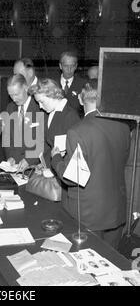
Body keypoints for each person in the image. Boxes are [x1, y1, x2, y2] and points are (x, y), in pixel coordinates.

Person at [51, 79, 131, 249]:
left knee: (87, 268)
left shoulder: (77, 132)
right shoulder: (124, 127)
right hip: (116, 212)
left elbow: (73, 179)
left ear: (80, 99)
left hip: (89, 215)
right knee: (111, 266)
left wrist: (56, 158)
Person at [28, 78, 80, 169]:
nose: (40, 106)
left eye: (41, 102)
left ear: (53, 95)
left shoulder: (70, 116)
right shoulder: (51, 113)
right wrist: (46, 165)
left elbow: (72, 155)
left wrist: (52, 168)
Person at [3, 73, 45, 171]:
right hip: (15, 166)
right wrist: (11, 157)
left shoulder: (39, 107)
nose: (14, 99)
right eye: (11, 95)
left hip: (35, 167)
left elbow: (44, 139)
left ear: (26, 88)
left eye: (16, 94)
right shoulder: (10, 108)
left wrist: (29, 160)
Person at [53, 51, 86, 117]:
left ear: (76, 66)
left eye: (72, 66)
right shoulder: (52, 84)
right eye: (66, 66)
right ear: (60, 66)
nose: (69, 69)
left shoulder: (83, 84)